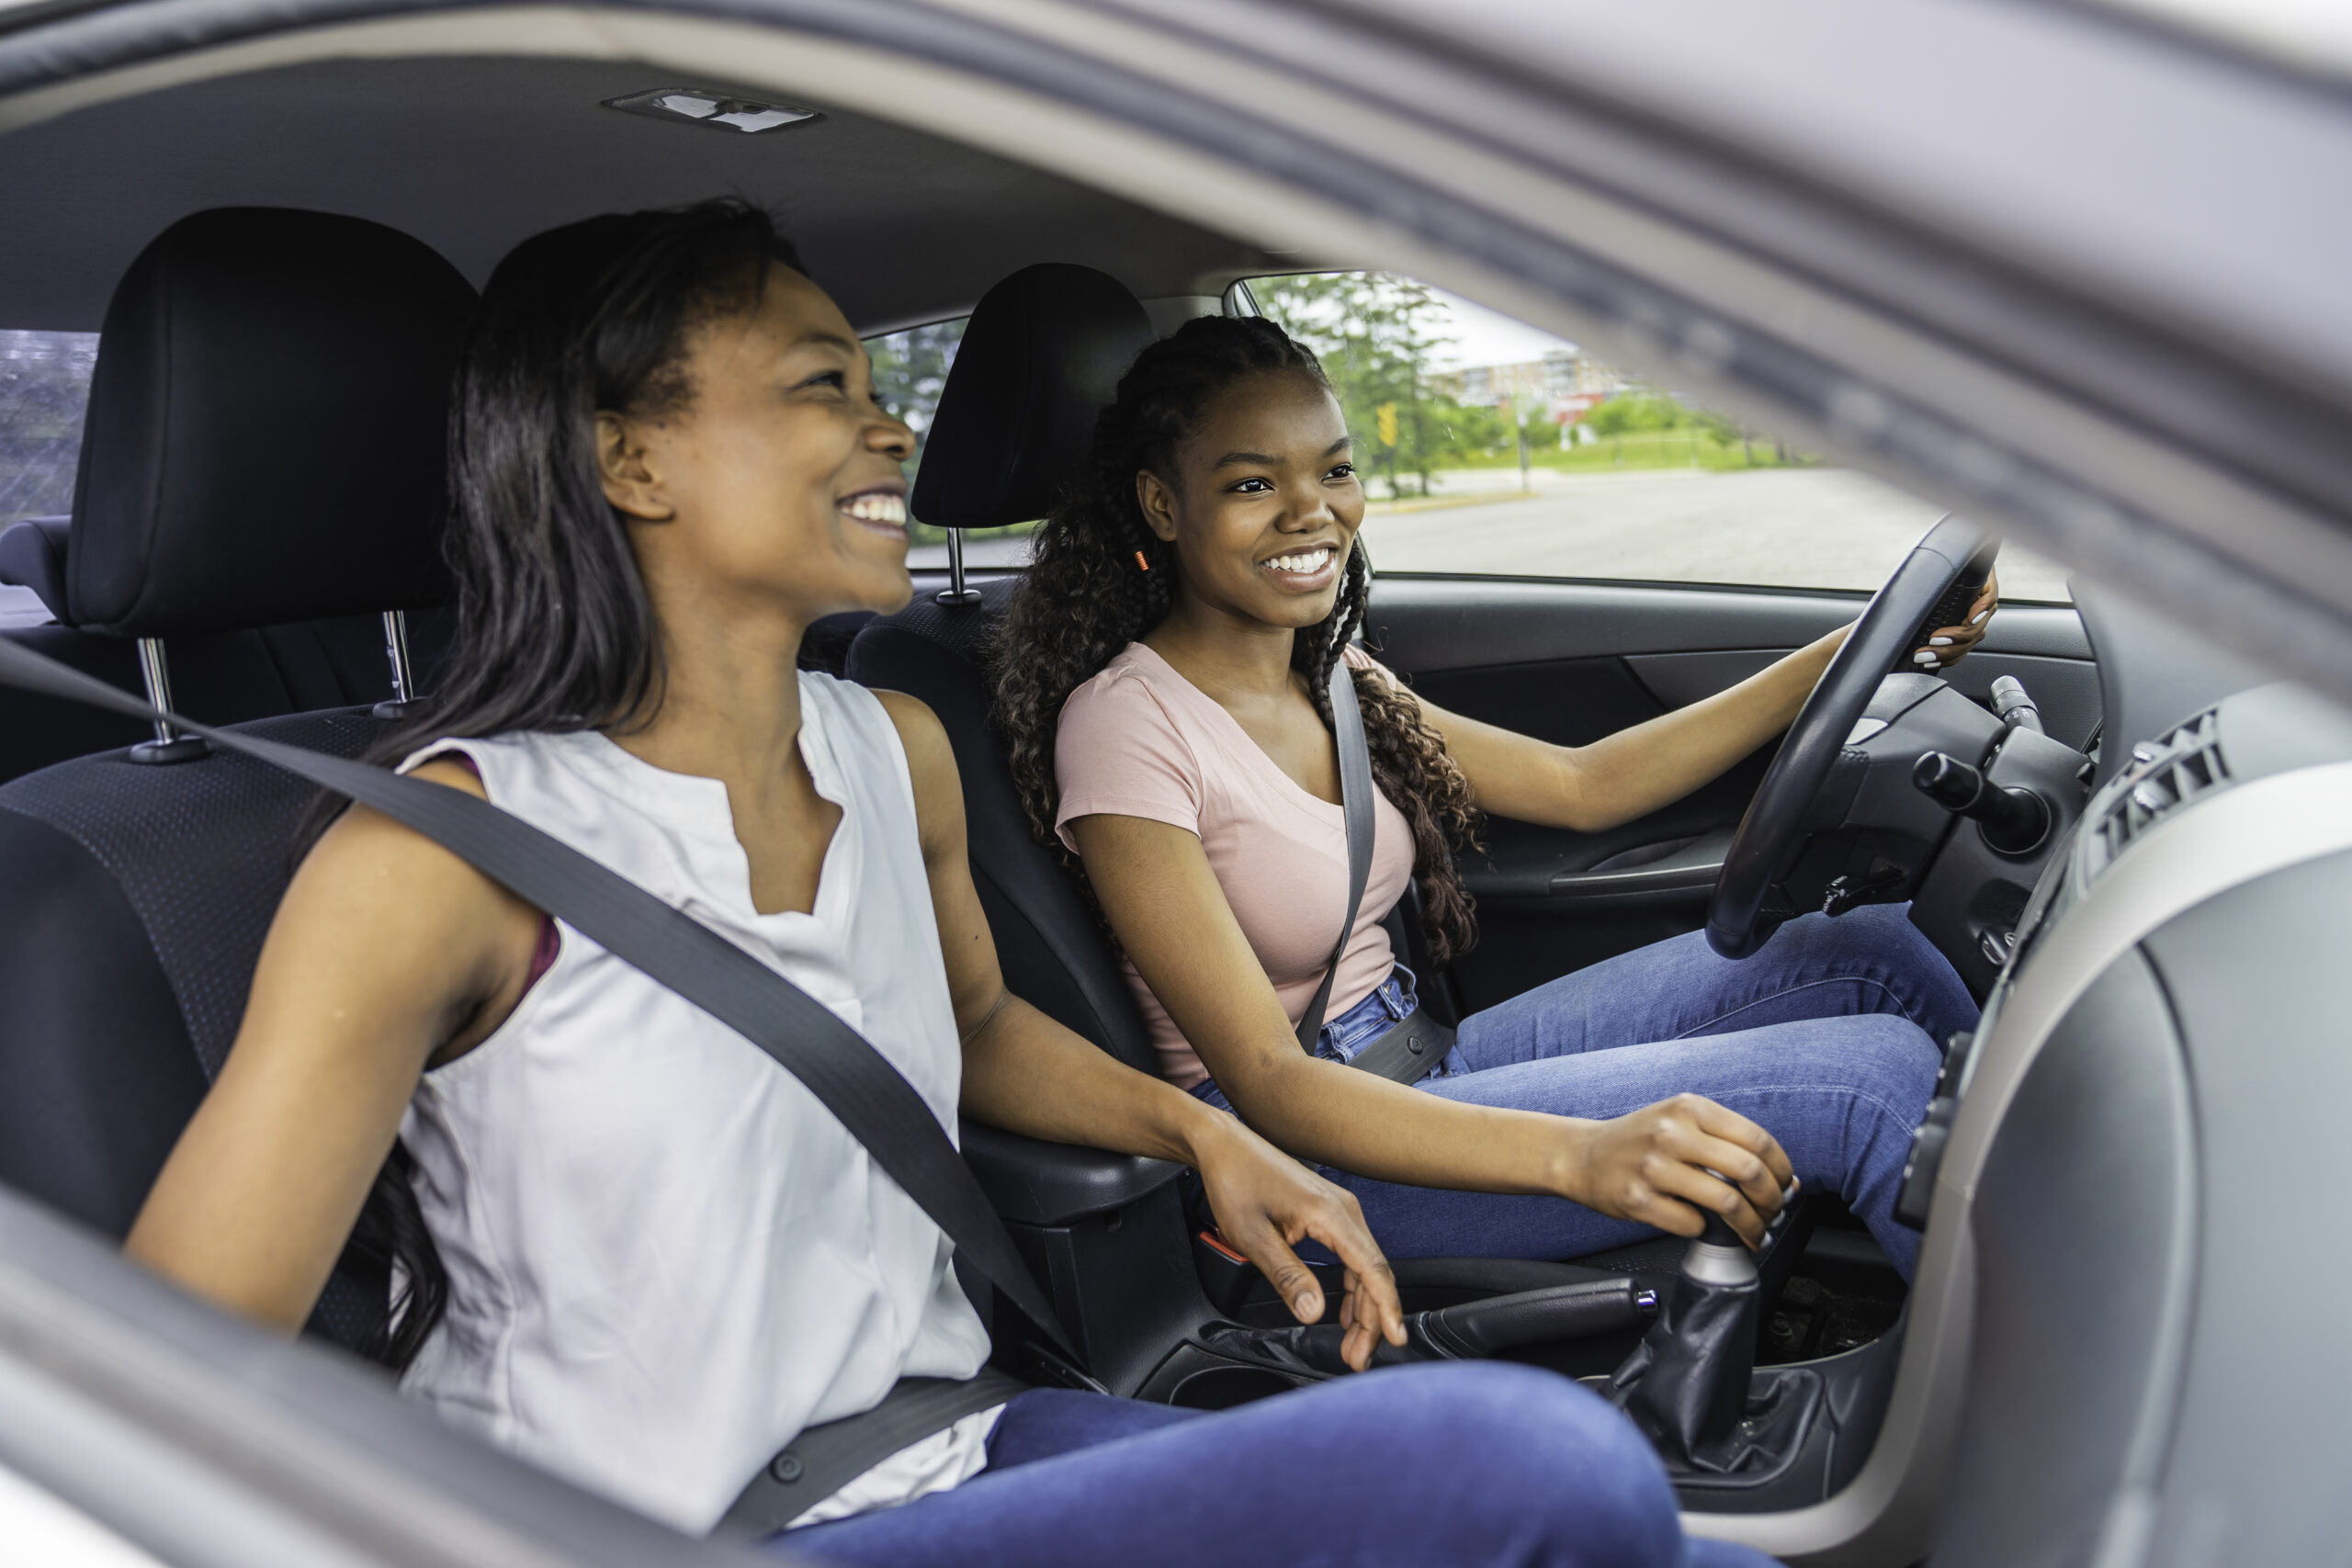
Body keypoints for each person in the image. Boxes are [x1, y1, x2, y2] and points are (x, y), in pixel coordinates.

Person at [121, 200, 1779, 1568]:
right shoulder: (437, 856)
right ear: (631, 460)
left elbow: (972, 1024)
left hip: (954, 1439)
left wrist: (1203, 1130)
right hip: (645, 1524)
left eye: (873, 383)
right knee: (1521, 1468)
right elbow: (160, 1390)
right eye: (820, 386)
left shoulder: (891, 745)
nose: (890, 426)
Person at [995, 314, 1988, 1280]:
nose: (1312, 511)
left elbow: (1583, 785)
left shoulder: (1332, 672)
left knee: (1874, 948)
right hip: (1305, 1159)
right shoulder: (1125, 725)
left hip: (1422, 1057)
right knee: (1869, 1080)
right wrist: (1579, 1154)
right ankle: (2034, 1355)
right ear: (1163, 506)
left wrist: (1859, 646)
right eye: (1253, 484)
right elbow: (1270, 1080)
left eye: (1334, 471)